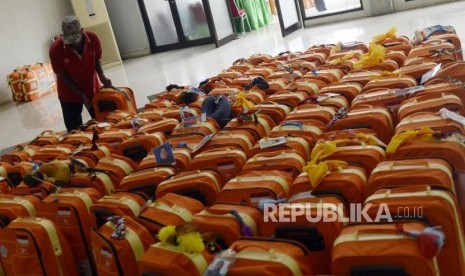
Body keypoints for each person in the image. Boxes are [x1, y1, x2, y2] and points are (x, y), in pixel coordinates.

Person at [50, 15, 112, 132]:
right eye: (70, 40)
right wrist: (80, 94)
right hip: (69, 92)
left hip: (92, 87)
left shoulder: (93, 39)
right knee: (74, 130)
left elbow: (97, 59)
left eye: (76, 38)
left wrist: (102, 76)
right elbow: (62, 75)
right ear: (63, 35)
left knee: (103, 122)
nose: (73, 43)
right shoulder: (55, 49)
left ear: (82, 30)